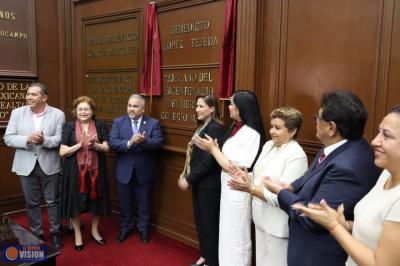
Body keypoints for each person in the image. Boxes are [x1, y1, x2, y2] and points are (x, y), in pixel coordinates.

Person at [264, 90, 381, 266]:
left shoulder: (347, 167)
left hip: (318, 255)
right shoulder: (341, 145)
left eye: (318, 119)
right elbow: (312, 174)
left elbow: (315, 218)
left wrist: (282, 193)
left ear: (331, 128)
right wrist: (292, 187)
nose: (315, 122)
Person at [292, 105, 400, 266]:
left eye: (386, 135)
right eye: (378, 132)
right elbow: (375, 229)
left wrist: (334, 226)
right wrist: (345, 224)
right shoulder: (386, 173)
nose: (375, 141)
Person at [193, 90, 266, 266]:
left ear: (241, 108)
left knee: (237, 234)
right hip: (227, 188)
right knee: (226, 232)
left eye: (232, 103)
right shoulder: (234, 127)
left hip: (237, 190)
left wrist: (213, 149)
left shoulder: (251, 133)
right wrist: (216, 149)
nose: (229, 106)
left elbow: (231, 167)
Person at [228, 107, 308, 265]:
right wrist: (247, 177)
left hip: (277, 226)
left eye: (277, 128)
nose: (272, 131)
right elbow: (260, 176)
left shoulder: (296, 156)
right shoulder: (268, 145)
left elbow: (283, 197)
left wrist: (249, 188)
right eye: (272, 126)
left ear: (292, 131)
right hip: (260, 218)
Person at [4, 82, 65, 249]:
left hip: (50, 164)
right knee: (31, 203)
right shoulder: (17, 113)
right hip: (25, 165)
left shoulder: (58, 114)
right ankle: (36, 234)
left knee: (53, 201)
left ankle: (55, 232)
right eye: (28, 94)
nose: (28, 97)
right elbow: (8, 138)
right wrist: (27, 139)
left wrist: (44, 140)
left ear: (44, 97)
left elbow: (59, 140)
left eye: (33, 94)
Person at [177, 95, 225, 266]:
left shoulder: (216, 128)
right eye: (196, 106)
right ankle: (205, 255)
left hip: (210, 186)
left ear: (212, 109)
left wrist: (188, 180)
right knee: (201, 222)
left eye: (201, 106)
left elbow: (208, 161)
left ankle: (212, 261)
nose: (197, 109)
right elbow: (193, 156)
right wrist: (186, 173)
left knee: (209, 225)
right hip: (199, 184)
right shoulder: (202, 126)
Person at [109, 94, 163, 244]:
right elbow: (113, 143)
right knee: (124, 203)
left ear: (143, 108)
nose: (131, 109)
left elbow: (158, 143)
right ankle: (126, 228)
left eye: (135, 106)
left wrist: (144, 141)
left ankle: (143, 229)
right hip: (123, 171)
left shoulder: (153, 123)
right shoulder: (118, 122)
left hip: (144, 171)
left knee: (144, 203)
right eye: (129, 105)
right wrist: (129, 142)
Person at [59, 96, 111, 251]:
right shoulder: (68, 126)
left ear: (92, 111)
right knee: (74, 202)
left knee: (97, 201)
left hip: (97, 171)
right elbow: (62, 152)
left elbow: (107, 148)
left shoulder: (100, 124)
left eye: (86, 109)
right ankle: (77, 234)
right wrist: (79, 145)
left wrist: (96, 145)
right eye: (80, 109)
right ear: (75, 111)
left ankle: (95, 230)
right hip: (75, 172)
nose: (83, 112)